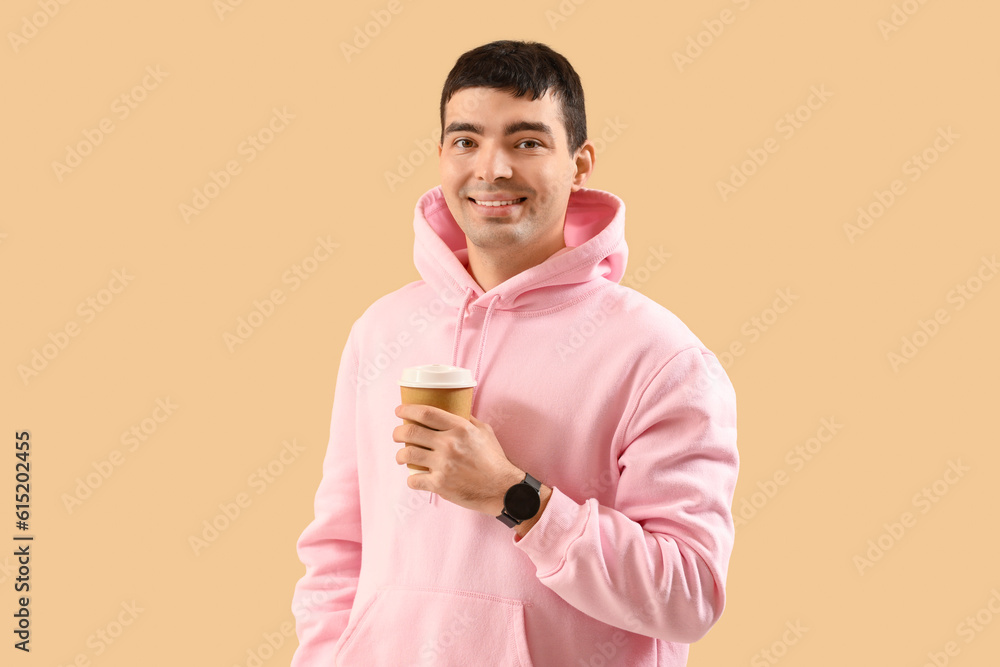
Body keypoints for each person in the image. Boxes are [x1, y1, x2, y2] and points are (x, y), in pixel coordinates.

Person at [291, 39, 739, 666]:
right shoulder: (382, 328)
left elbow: (689, 595)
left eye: (526, 142)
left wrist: (516, 498)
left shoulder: (663, 359)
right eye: (466, 141)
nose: (492, 169)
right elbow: (338, 551)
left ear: (580, 164)